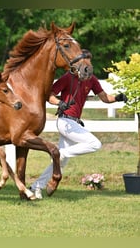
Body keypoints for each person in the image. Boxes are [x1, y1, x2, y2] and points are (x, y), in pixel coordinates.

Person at [30, 50, 128, 199]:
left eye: (89, 63)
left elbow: (105, 98)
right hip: (65, 121)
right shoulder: (67, 78)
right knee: (95, 144)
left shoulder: (92, 80)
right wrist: (60, 103)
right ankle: (60, 153)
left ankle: (36, 186)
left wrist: (118, 98)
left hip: (74, 122)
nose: (87, 66)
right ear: (77, 63)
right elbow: (49, 96)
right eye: (84, 63)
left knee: (60, 163)